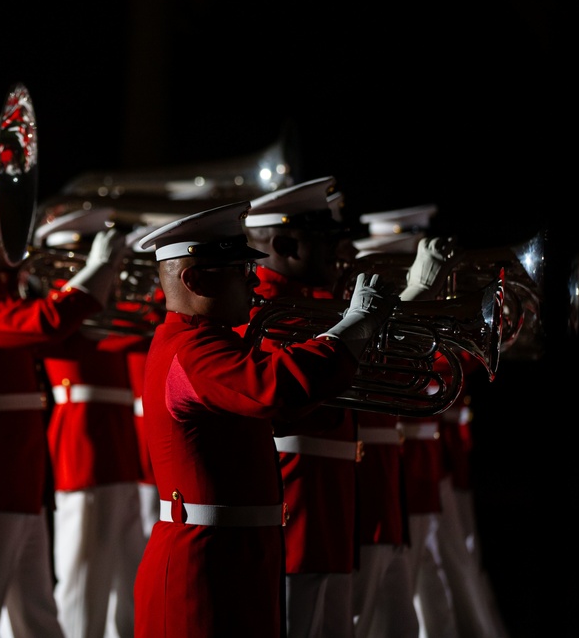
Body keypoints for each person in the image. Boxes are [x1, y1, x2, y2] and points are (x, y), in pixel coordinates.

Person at [133, 200, 398, 638]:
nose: (254, 281)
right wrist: (354, 326)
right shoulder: (190, 349)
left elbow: (275, 416)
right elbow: (274, 389)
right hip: (203, 567)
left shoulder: (209, 342)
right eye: (239, 270)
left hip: (238, 557)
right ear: (194, 279)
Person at [0, 209, 126, 638]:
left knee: (36, 617)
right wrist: (99, 268)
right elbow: (48, 323)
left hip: (16, 482)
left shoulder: (4, 301)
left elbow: (71, 333)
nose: (6, 240)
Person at [240, 176, 368, 638]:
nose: (343, 254)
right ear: (286, 244)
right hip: (296, 512)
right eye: (327, 242)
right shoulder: (264, 313)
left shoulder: (310, 307)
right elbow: (291, 393)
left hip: (330, 510)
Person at [30, 208, 146, 638]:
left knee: (125, 576)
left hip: (118, 452)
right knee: (83, 580)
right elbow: (69, 325)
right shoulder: (64, 315)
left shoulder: (106, 317)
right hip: (85, 452)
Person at [347, 206, 457, 638]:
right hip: (363, 482)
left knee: (400, 622)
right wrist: (417, 291)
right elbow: (375, 366)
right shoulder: (319, 303)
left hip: (391, 478)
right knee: (359, 617)